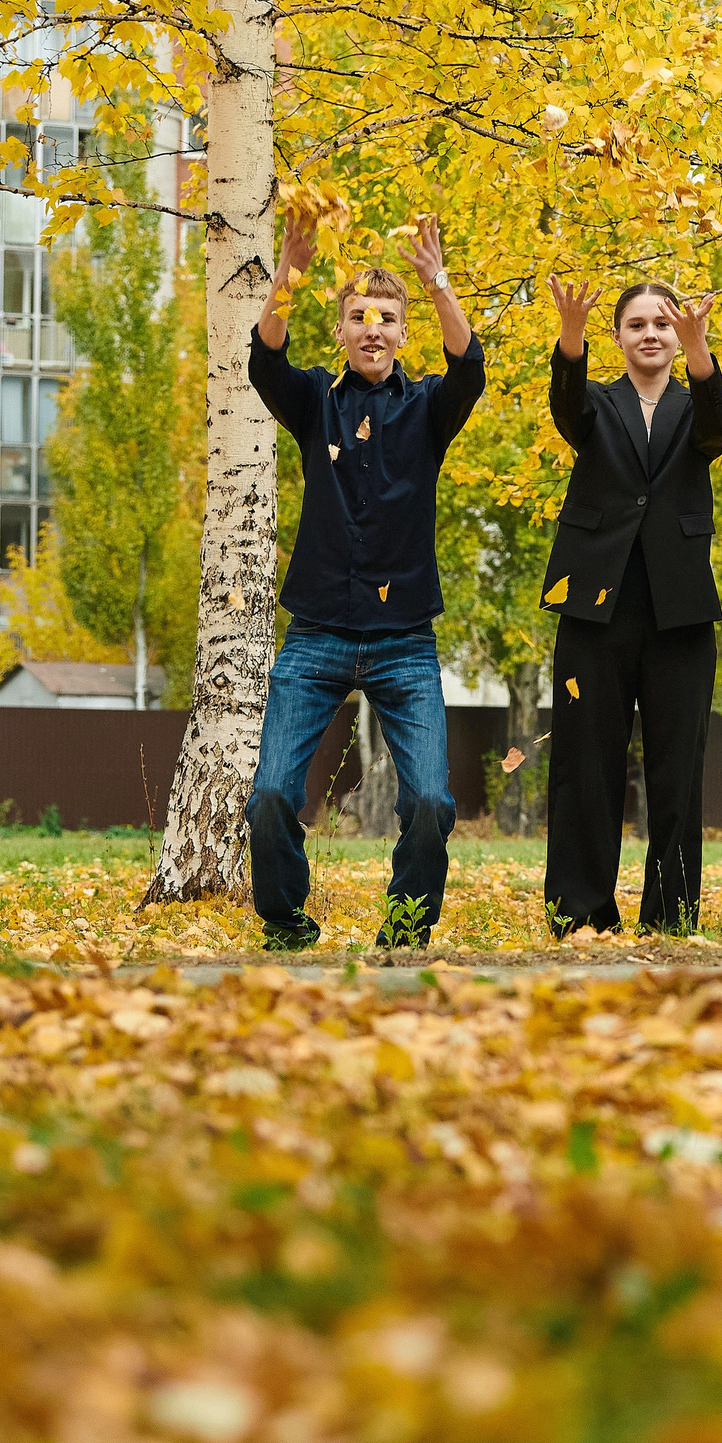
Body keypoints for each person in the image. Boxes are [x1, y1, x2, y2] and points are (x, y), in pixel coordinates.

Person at [243, 211, 484, 951]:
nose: (372, 329)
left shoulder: (426, 412)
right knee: (273, 796)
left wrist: (436, 283)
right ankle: (285, 920)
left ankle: (407, 924)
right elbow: (263, 363)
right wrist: (286, 268)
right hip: (316, 632)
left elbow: (469, 367)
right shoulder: (316, 401)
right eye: (358, 317)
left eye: (385, 318)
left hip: (404, 640)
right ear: (341, 333)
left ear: (402, 334)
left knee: (434, 801)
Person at [537, 277, 722, 937]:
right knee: (583, 765)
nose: (651, 333)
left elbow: (717, 430)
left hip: (679, 610)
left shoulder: (694, 401)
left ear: (678, 337)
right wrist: (570, 337)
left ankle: (669, 916)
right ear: (617, 337)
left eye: (663, 323)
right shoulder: (596, 402)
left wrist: (702, 348)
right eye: (636, 324)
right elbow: (566, 410)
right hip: (595, 607)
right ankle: (579, 912)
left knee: (678, 771)